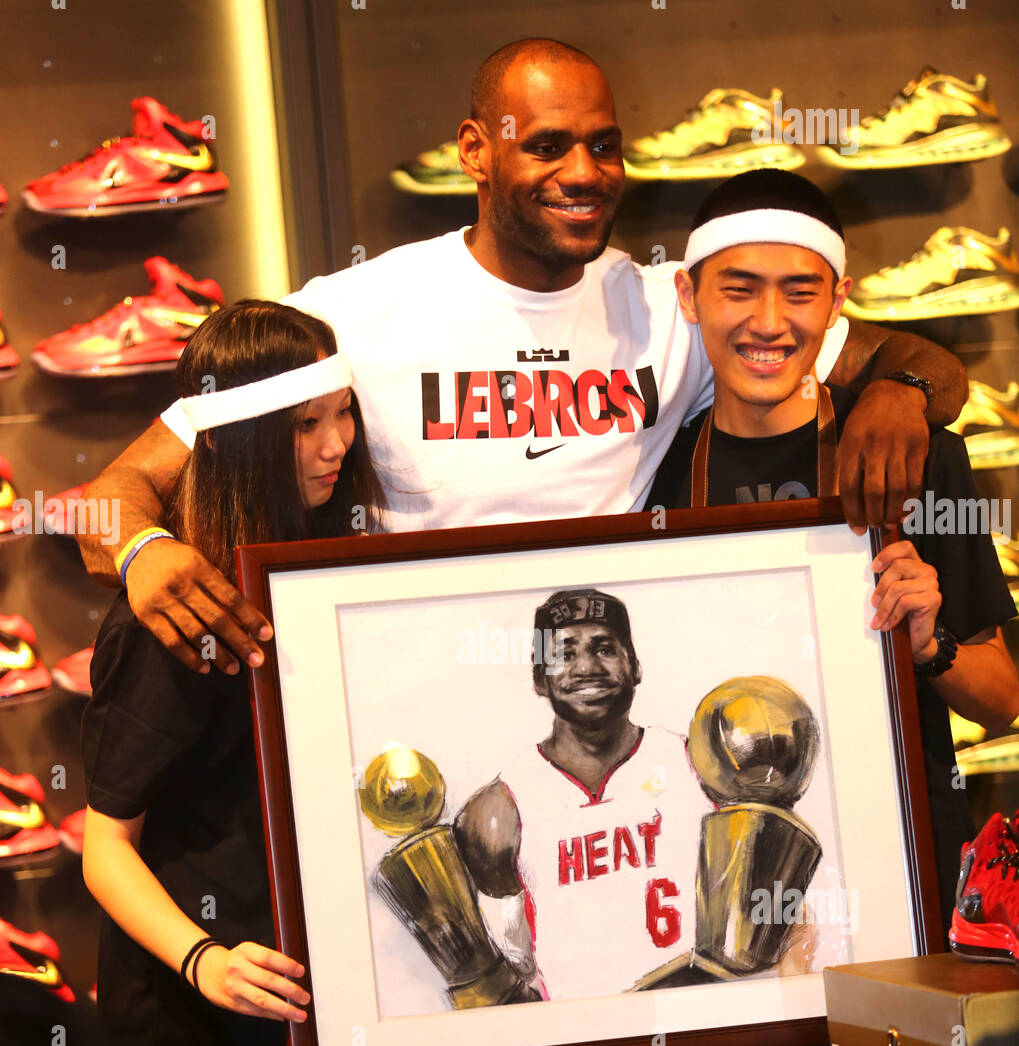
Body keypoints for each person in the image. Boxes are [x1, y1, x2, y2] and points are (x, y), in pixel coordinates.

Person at [77, 39, 966, 680]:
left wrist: (899, 390)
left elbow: (925, 363)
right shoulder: (349, 312)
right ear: (475, 150)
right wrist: (142, 553)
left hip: (613, 694)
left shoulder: (673, 305)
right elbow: (110, 494)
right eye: (546, 145)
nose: (584, 171)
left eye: (603, 145)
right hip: (418, 694)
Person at [645, 166, 1019, 1046]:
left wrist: (931, 641)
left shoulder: (917, 459)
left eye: (798, 291)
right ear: (687, 299)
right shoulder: (658, 469)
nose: (768, 321)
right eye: (739, 290)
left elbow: (1004, 694)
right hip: (734, 900)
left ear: (837, 297)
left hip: (908, 875)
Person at [80, 301, 387, 1046]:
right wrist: (203, 960)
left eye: (344, 414)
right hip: (190, 1000)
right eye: (306, 424)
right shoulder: (172, 617)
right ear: (244, 436)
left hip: (309, 987)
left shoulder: (326, 577)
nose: (337, 443)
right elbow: (102, 848)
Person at [453, 587, 706, 1001]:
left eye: (605, 648)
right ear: (539, 678)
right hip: (577, 1044)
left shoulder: (697, 763)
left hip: (706, 1025)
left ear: (635, 665)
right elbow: (509, 976)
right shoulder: (498, 808)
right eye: (564, 654)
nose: (588, 667)